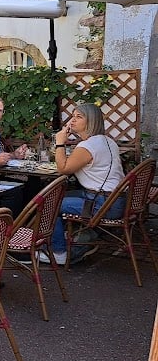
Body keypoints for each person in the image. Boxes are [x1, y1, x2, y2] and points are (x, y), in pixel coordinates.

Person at [40, 103, 125, 266]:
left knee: (48, 204)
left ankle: (59, 252)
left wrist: (60, 143)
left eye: (79, 117)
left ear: (91, 121)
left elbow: (63, 168)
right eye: (72, 116)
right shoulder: (108, 141)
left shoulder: (88, 146)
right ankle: (79, 237)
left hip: (103, 204)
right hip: (115, 200)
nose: (72, 120)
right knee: (55, 196)